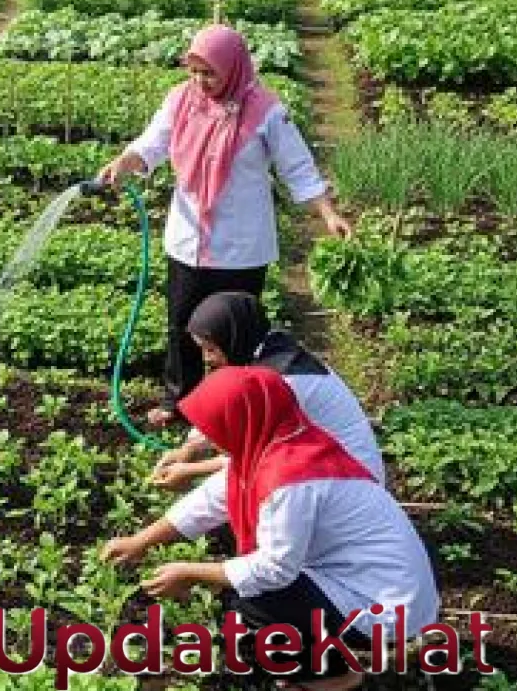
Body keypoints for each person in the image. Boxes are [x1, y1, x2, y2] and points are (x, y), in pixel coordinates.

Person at [102, 366, 438, 691]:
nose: (208, 435)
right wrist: (141, 541)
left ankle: (338, 677)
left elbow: (275, 569)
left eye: (214, 424)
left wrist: (190, 572)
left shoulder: (290, 479)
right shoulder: (282, 442)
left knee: (256, 598)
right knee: (242, 589)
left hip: (391, 605)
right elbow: (209, 502)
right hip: (375, 583)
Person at [95, 25, 352, 426]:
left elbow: (297, 167)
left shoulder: (266, 110)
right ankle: (179, 401)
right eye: (194, 71)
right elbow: (152, 145)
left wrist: (328, 214)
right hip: (188, 239)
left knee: (234, 335)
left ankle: (233, 408)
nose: (201, 81)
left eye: (210, 73)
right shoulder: (180, 101)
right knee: (183, 323)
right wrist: (125, 162)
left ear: (233, 68)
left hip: (240, 246)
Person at [151, 291, 382, 493]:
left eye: (211, 349)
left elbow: (257, 458)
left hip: (351, 478)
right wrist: (188, 448)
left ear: (232, 338)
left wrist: (190, 470)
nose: (206, 358)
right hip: (332, 466)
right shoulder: (264, 346)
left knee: (234, 488)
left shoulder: (281, 383)